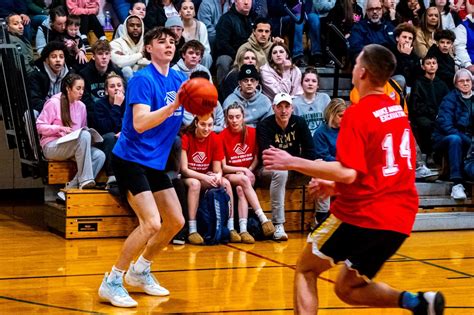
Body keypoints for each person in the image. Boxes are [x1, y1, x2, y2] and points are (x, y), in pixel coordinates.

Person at [262, 44, 445, 315]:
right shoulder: (398, 113)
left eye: (357, 61)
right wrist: (334, 185)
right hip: (399, 220)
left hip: (364, 214)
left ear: (362, 71)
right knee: (346, 289)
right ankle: (417, 303)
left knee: (306, 269)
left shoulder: (358, 112)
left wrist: (292, 161)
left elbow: (349, 172)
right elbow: (379, 172)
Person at [98, 27, 187, 308]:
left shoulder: (179, 79)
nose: (169, 46)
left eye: (172, 42)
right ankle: (112, 281)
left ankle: (140, 270)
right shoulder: (141, 79)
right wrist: (173, 108)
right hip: (130, 159)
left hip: (155, 161)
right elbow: (140, 122)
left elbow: (182, 118)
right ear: (148, 48)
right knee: (151, 223)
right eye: (161, 42)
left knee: (176, 221)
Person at [36, 73, 106, 201]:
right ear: (68, 88)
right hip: (51, 145)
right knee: (84, 135)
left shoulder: (82, 106)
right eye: (78, 88)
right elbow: (39, 126)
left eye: (83, 89)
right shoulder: (53, 102)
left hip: (72, 145)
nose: (81, 92)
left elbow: (83, 129)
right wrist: (59, 129)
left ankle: (70, 189)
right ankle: (86, 179)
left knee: (99, 155)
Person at [257, 92, 316, 241]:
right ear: (273, 108)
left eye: (287, 106)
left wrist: (293, 162)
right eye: (280, 107)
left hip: (294, 168)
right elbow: (268, 157)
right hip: (269, 171)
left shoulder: (300, 123)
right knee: (281, 172)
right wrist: (290, 163)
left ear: (292, 108)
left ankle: (319, 220)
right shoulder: (265, 125)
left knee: (320, 166)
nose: (283, 110)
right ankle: (278, 225)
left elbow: (310, 152)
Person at [180, 114, 240, 245]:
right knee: (195, 184)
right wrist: (205, 177)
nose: (207, 128)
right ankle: (192, 229)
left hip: (205, 177)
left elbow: (217, 169)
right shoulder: (186, 137)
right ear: (196, 123)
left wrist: (218, 176)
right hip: (188, 178)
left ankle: (230, 228)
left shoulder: (215, 138)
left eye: (210, 125)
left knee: (226, 183)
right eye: (203, 124)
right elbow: (184, 170)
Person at [220, 103, 276, 243]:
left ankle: (243, 230)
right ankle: (263, 218)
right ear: (226, 118)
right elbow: (223, 166)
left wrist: (249, 170)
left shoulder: (252, 132)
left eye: (237, 117)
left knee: (240, 189)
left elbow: (257, 157)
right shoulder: (221, 136)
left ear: (243, 117)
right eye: (231, 117)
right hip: (230, 174)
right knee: (242, 181)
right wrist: (243, 171)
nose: (234, 120)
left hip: (248, 174)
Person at [432, 68, 473, 200]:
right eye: (461, 81)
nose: (465, 83)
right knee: (455, 139)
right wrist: (469, 140)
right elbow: (446, 126)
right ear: (456, 84)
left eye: (468, 80)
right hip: (445, 138)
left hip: (469, 138)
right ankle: (457, 184)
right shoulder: (449, 99)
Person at [311, 98, 346, 225]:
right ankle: (321, 215)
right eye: (341, 116)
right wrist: (341, 162)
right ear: (332, 114)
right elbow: (323, 156)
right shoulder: (321, 132)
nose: (344, 119)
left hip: (342, 166)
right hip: (328, 166)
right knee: (322, 173)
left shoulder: (347, 130)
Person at [409, 55, 450, 159]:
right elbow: (415, 106)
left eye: (433, 63)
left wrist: (440, 114)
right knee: (427, 125)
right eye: (428, 63)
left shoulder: (442, 84)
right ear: (423, 67)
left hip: (440, 114)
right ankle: (429, 154)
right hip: (424, 115)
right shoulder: (418, 83)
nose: (431, 66)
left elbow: (448, 102)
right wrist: (433, 113)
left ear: (437, 66)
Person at [79, 39, 124, 127]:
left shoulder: (117, 73)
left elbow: (123, 94)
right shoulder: (84, 74)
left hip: (114, 108)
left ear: (110, 56)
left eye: (107, 54)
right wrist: (101, 109)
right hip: (94, 113)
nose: (104, 57)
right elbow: (85, 99)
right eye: (100, 54)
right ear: (93, 56)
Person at [94, 73, 126, 187]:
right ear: (106, 91)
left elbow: (134, 124)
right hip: (105, 141)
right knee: (110, 136)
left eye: (119, 85)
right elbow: (106, 128)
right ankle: (112, 176)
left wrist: (125, 133)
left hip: (125, 137)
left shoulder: (130, 104)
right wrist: (116, 106)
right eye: (112, 86)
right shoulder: (99, 106)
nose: (116, 88)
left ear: (123, 89)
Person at [214, 0, 256, 83]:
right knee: (223, 61)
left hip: (254, 52)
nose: (246, 2)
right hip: (232, 54)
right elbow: (222, 44)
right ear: (235, 2)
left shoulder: (256, 18)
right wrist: (240, 55)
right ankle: (224, 92)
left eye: (248, 0)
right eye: (243, 0)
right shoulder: (226, 19)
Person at [29, 41, 70, 113]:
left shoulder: (70, 75)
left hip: (64, 110)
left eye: (61, 57)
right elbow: (34, 100)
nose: (58, 60)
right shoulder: (36, 75)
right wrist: (53, 108)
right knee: (30, 113)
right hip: (44, 110)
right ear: (47, 60)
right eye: (53, 57)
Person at [292, 67, 331, 136]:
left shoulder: (325, 99)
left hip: (322, 139)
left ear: (318, 85)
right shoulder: (295, 103)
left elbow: (331, 122)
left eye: (314, 81)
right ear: (301, 84)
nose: (310, 84)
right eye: (307, 80)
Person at [110, 15, 150, 81]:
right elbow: (118, 63)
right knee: (126, 69)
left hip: (145, 77)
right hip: (123, 81)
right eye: (131, 25)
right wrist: (142, 54)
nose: (135, 28)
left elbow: (154, 63)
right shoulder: (116, 43)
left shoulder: (148, 43)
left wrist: (128, 59)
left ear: (142, 28)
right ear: (126, 27)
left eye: (138, 25)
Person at [178, 0, 213, 68]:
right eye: (185, 8)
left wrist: (195, 55)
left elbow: (205, 48)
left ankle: (202, 76)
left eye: (191, 8)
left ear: (194, 12)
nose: (188, 10)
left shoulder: (201, 26)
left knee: (207, 56)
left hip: (198, 57)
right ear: (179, 12)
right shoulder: (177, 26)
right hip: (181, 57)